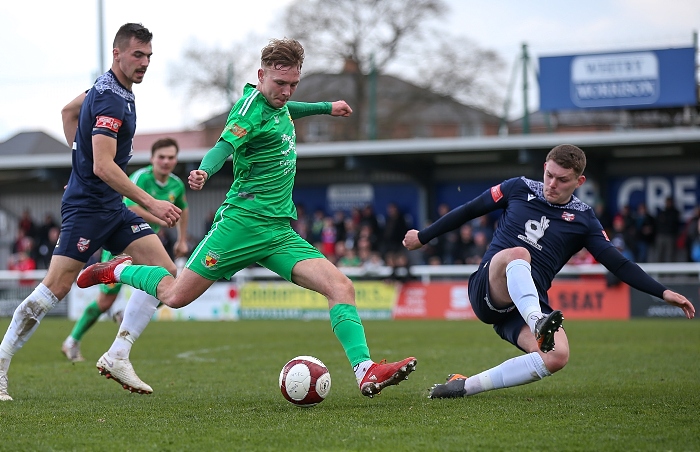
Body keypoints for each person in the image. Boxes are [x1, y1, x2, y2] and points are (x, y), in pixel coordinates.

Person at [78, 38, 416, 398]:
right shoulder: (248, 109)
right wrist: (205, 172)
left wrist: (325, 107)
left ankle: (365, 371)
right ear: (261, 75)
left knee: (341, 287)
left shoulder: (279, 103)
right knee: (175, 296)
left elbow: (288, 110)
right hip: (241, 224)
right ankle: (118, 269)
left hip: (277, 231)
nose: (286, 92)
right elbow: (223, 146)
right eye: (279, 84)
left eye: (292, 85)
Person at [403, 144, 695, 399]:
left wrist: (663, 292)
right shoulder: (517, 188)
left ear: (579, 181)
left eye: (563, 180)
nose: (552, 184)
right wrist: (424, 236)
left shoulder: (584, 219)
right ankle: (537, 320)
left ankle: (463, 387)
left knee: (557, 356)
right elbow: (469, 210)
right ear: (544, 167)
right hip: (488, 288)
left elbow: (617, 263)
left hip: (523, 306)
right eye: (549, 175)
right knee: (519, 253)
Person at [0, 23, 182, 402]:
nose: (145, 63)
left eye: (149, 56)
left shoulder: (110, 89)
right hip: (86, 211)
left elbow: (68, 112)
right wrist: (150, 202)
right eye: (137, 55)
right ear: (117, 54)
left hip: (112, 208)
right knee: (54, 289)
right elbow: (103, 166)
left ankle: (118, 354)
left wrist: (77, 157)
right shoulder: (112, 99)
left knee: (167, 274)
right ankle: (0, 364)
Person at [61, 138, 189, 363]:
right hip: (123, 242)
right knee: (105, 302)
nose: (166, 161)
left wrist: (182, 239)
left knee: (167, 278)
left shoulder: (176, 184)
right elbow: (128, 206)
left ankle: (125, 316)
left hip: (147, 245)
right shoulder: (140, 178)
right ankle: (72, 341)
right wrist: (157, 214)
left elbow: (183, 208)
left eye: (171, 157)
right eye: (162, 157)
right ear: (152, 159)